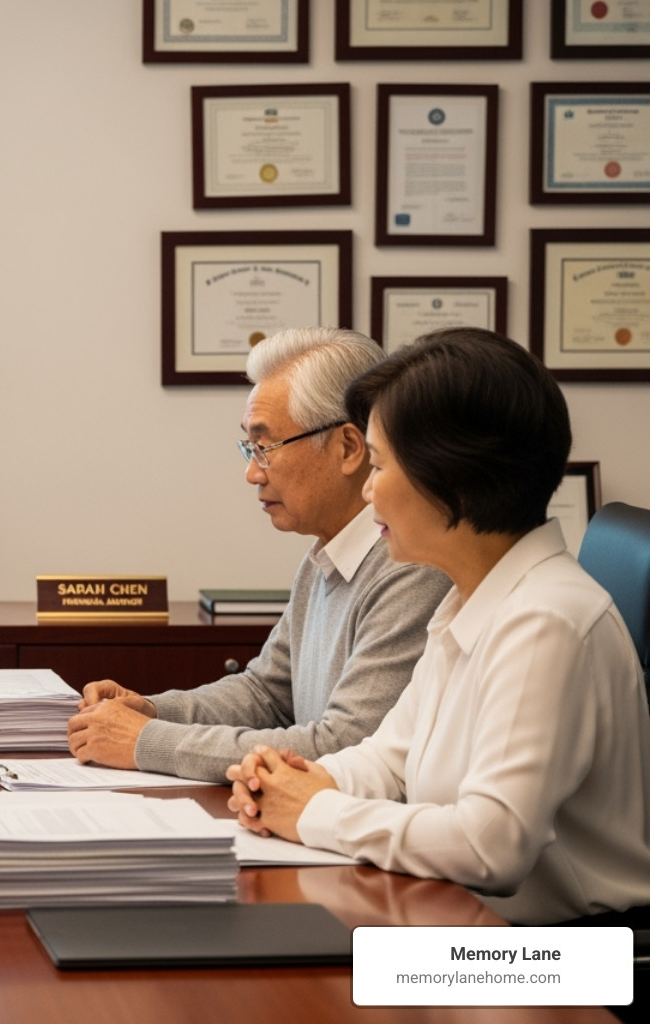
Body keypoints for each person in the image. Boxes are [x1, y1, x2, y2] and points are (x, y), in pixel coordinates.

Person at [226, 327, 650, 925]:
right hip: (468, 926)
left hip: (558, 956)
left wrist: (313, 810)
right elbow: (388, 760)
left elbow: (489, 847)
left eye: (378, 465)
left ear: (453, 479)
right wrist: (298, 780)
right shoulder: (468, 602)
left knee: (301, 962)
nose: (367, 489)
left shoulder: (546, 621)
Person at [68, 328, 450, 782]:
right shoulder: (324, 557)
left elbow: (345, 745)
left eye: (265, 448)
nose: (252, 473)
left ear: (348, 447)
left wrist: (145, 740)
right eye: (249, 448)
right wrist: (150, 710)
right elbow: (266, 693)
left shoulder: (412, 567)